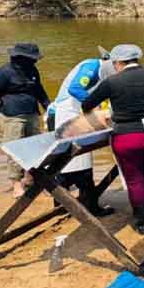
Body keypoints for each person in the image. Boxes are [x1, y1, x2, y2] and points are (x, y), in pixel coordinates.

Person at [81, 44, 144, 234]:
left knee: (135, 179)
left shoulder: (112, 82)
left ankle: (143, 223)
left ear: (118, 63)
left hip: (127, 137)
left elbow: (86, 105)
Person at [46, 48, 116, 216]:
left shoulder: (103, 75)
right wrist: (94, 106)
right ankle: (73, 205)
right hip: (66, 114)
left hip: (78, 114)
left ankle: (72, 203)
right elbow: (75, 89)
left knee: (81, 161)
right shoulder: (91, 66)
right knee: (68, 160)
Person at [0, 43, 50, 198]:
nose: (35, 61)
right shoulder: (4, 73)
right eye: (33, 59)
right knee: (15, 150)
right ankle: (16, 185)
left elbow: (40, 93)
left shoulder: (32, 70)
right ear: (21, 58)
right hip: (12, 117)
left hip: (32, 114)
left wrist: (50, 109)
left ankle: (31, 179)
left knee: (35, 148)